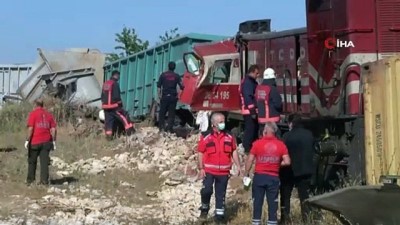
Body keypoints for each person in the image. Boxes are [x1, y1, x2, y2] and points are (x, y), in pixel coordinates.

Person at [197, 112, 241, 223]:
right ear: (213, 124)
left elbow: (234, 151)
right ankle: (204, 209)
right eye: (220, 122)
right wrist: (201, 168)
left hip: (223, 173)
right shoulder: (206, 136)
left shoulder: (229, 136)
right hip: (209, 171)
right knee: (206, 191)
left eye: (223, 121)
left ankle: (219, 218)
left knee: (220, 195)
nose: (223, 124)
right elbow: (200, 152)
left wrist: (238, 165)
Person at [244, 122, 291, 225]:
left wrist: (246, 173)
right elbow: (287, 161)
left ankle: (256, 222)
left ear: (265, 131)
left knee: (257, 202)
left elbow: (250, 160)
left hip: (259, 177)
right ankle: (272, 222)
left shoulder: (257, 144)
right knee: (272, 204)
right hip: (273, 177)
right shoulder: (281, 145)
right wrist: (277, 164)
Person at [280, 114, 316, 223]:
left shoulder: (286, 136)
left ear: (291, 123)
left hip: (289, 171)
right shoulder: (309, 135)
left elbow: (282, 153)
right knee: (305, 198)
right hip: (305, 170)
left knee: (285, 197)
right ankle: (307, 219)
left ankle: (285, 220)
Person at [25, 98, 57, 186]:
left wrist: (27, 140)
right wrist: (53, 141)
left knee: (32, 161)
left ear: (35, 105)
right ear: (42, 105)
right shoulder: (49, 115)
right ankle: (44, 181)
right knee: (44, 163)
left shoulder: (33, 114)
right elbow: (53, 129)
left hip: (35, 141)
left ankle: (30, 181)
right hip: (46, 142)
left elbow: (30, 129)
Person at [101, 70, 134, 140]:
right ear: (116, 75)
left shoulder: (105, 83)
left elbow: (102, 95)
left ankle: (108, 137)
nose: (119, 77)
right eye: (118, 76)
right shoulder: (115, 84)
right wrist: (120, 104)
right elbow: (116, 96)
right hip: (114, 106)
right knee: (124, 117)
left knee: (108, 122)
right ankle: (130, 132)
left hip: (105, 107)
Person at [157, 61, 184, 133]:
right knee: (171, 114)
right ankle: (169, 129)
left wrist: (159, 96)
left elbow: (159, 87)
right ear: (174, 67)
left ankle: (161, 128)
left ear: (168, 66)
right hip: (173, 97)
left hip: (165, 97)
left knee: (162, 113)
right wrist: (179, 96)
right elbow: (182, 87)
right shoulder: (176, 76)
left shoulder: (163, 75)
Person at [255, 67, 283, 137]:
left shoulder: (258, 88)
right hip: (272, 121)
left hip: (261, 121)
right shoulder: (272, 89)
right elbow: (278, 104)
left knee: (262, 142)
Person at [239, 64, 260, 154]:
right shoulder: (248, 82)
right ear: (252, 72)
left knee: (253, 130)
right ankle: (247, 149)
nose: (258, 75)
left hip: (250, 110)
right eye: (257, 73)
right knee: (250, 130)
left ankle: (251, 148)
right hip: (249, 111)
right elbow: (248, 97)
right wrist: (252, 111)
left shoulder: (250, 82)